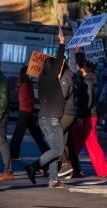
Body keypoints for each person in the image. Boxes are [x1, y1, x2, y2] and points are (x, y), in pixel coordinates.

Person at [26, 27, 66, 188]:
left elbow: (58, 63)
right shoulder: (50, 78)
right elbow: (60, 60)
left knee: (53, 149)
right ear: (53, 68)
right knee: (59, 150)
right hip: (51, 119)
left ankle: (53, 180)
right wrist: (62, 43)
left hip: (44, 118)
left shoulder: (42, 79)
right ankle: (34, 166)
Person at [72, 61, 107, 177]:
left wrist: (81, 116)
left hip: (87, 117)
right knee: (75, 143)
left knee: (91, 144)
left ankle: (103, 170)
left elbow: (87, 101)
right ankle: (70, 167)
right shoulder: (89, 80)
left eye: (78, 66)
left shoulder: (87, 81)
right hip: (86, 116)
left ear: (82, 68)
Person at [10, 65, 49, 160]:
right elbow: (30, 99)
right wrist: (41, 100)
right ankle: (13, 154)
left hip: (25, 111)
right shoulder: (26, 84)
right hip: (26, 112)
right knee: (25, 135)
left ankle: (13, 153)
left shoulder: (23, 83)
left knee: (28, 134)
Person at [58, 62, 81, 179]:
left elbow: (63, 94)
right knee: (65, 140)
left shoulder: (65, 76)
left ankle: (66, 164)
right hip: (68, 112)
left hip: (67, 112)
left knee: (56, 135)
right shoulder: (68, 75)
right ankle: (72, 168)